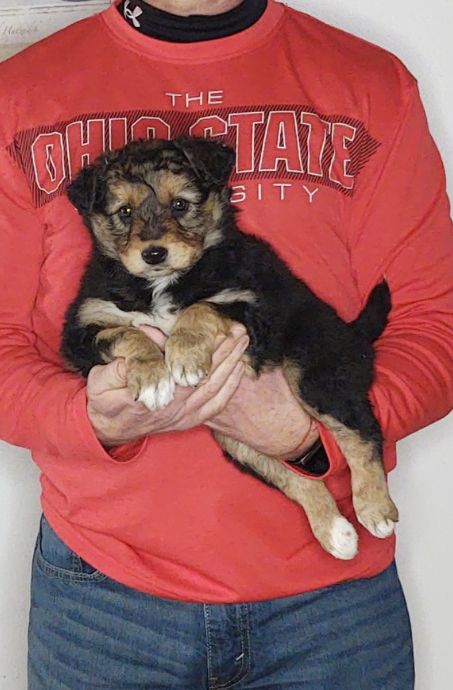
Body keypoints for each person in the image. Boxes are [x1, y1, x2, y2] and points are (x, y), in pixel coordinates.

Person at [0, 1, 452, 687]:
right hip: (101, 601)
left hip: (334, 608)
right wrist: (86, 420)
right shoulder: (20, 93)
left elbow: (434, 325)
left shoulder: (369, 83)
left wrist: (306, 433)